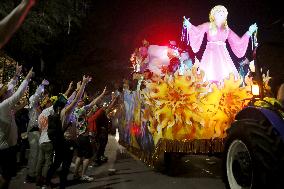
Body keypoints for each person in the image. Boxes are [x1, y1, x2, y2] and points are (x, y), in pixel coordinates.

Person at [183, 5, 258, 83]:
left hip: (223, 54)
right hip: (210, 53)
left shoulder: (226, 29)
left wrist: (249, 32)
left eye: (223, 12)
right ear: (213, 14)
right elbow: (197, 30)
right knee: (208, 74)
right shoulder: (208, 25)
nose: (221, 13)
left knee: (226, 76)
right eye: (218, 11)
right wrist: (189, 25)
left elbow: (237, 41)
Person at [0, 68, 33, 189]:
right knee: (6, 176)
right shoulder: (3, 106)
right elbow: (18, 94)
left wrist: (16, 74)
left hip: (8, 147)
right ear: (3, 95)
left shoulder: (4, 108)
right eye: (8, 91)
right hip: (6, 149)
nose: (10, 92)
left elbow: (10, 86)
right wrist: (27, 78)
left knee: (7, 176)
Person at [26, 79, 49, 183]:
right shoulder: (32, 102)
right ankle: (31, 174)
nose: (41, 96)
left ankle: (35, 173)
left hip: (38, 131)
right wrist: (41, 85)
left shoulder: (38, 106)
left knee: (39, 153)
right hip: (32, 131)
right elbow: (35, 97)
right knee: (34, 153)